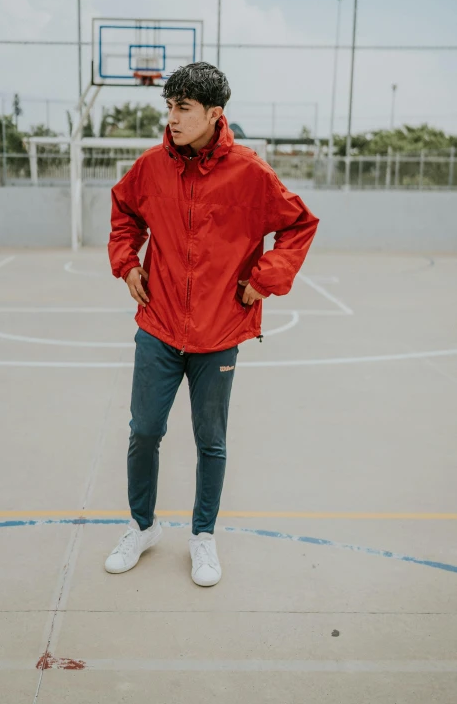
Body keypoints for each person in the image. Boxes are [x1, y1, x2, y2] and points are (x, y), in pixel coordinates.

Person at [106, 62, 319, 586]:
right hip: (158, 327)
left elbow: (298, 226)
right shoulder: (152, 166)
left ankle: (203, 536)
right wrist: (127, 263)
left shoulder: (251, 172)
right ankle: (142, 526)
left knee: (211, 441)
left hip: (219, 332)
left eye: (184, 108)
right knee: (144, 433)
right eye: (170, 107)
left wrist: (262, 280)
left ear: (214, 114)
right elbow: (123, 211)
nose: (173, 118)